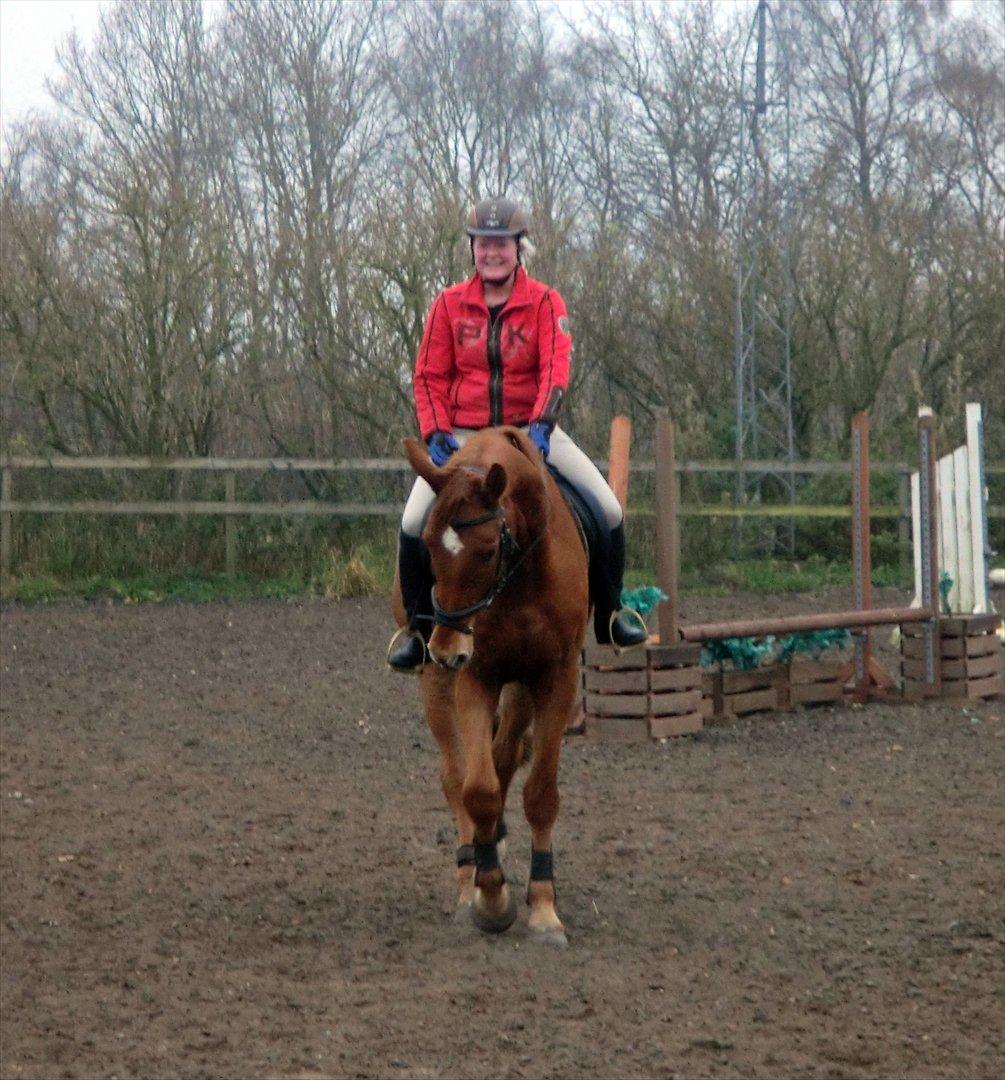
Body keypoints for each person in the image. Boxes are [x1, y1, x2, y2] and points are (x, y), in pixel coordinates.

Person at [388, 196, 647, 672]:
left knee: (607, 509)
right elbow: (428, 376)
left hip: (529, 432)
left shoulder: (546, 302)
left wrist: (542, 426)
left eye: (501, 245)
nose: (492, 253)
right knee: (412, 524)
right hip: (463, 437)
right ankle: (417, 629)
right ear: (472, 248)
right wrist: (436, 433)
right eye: (483, 244)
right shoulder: (447, 304)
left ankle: (611, 613)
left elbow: (555, 368)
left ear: (518, 249)